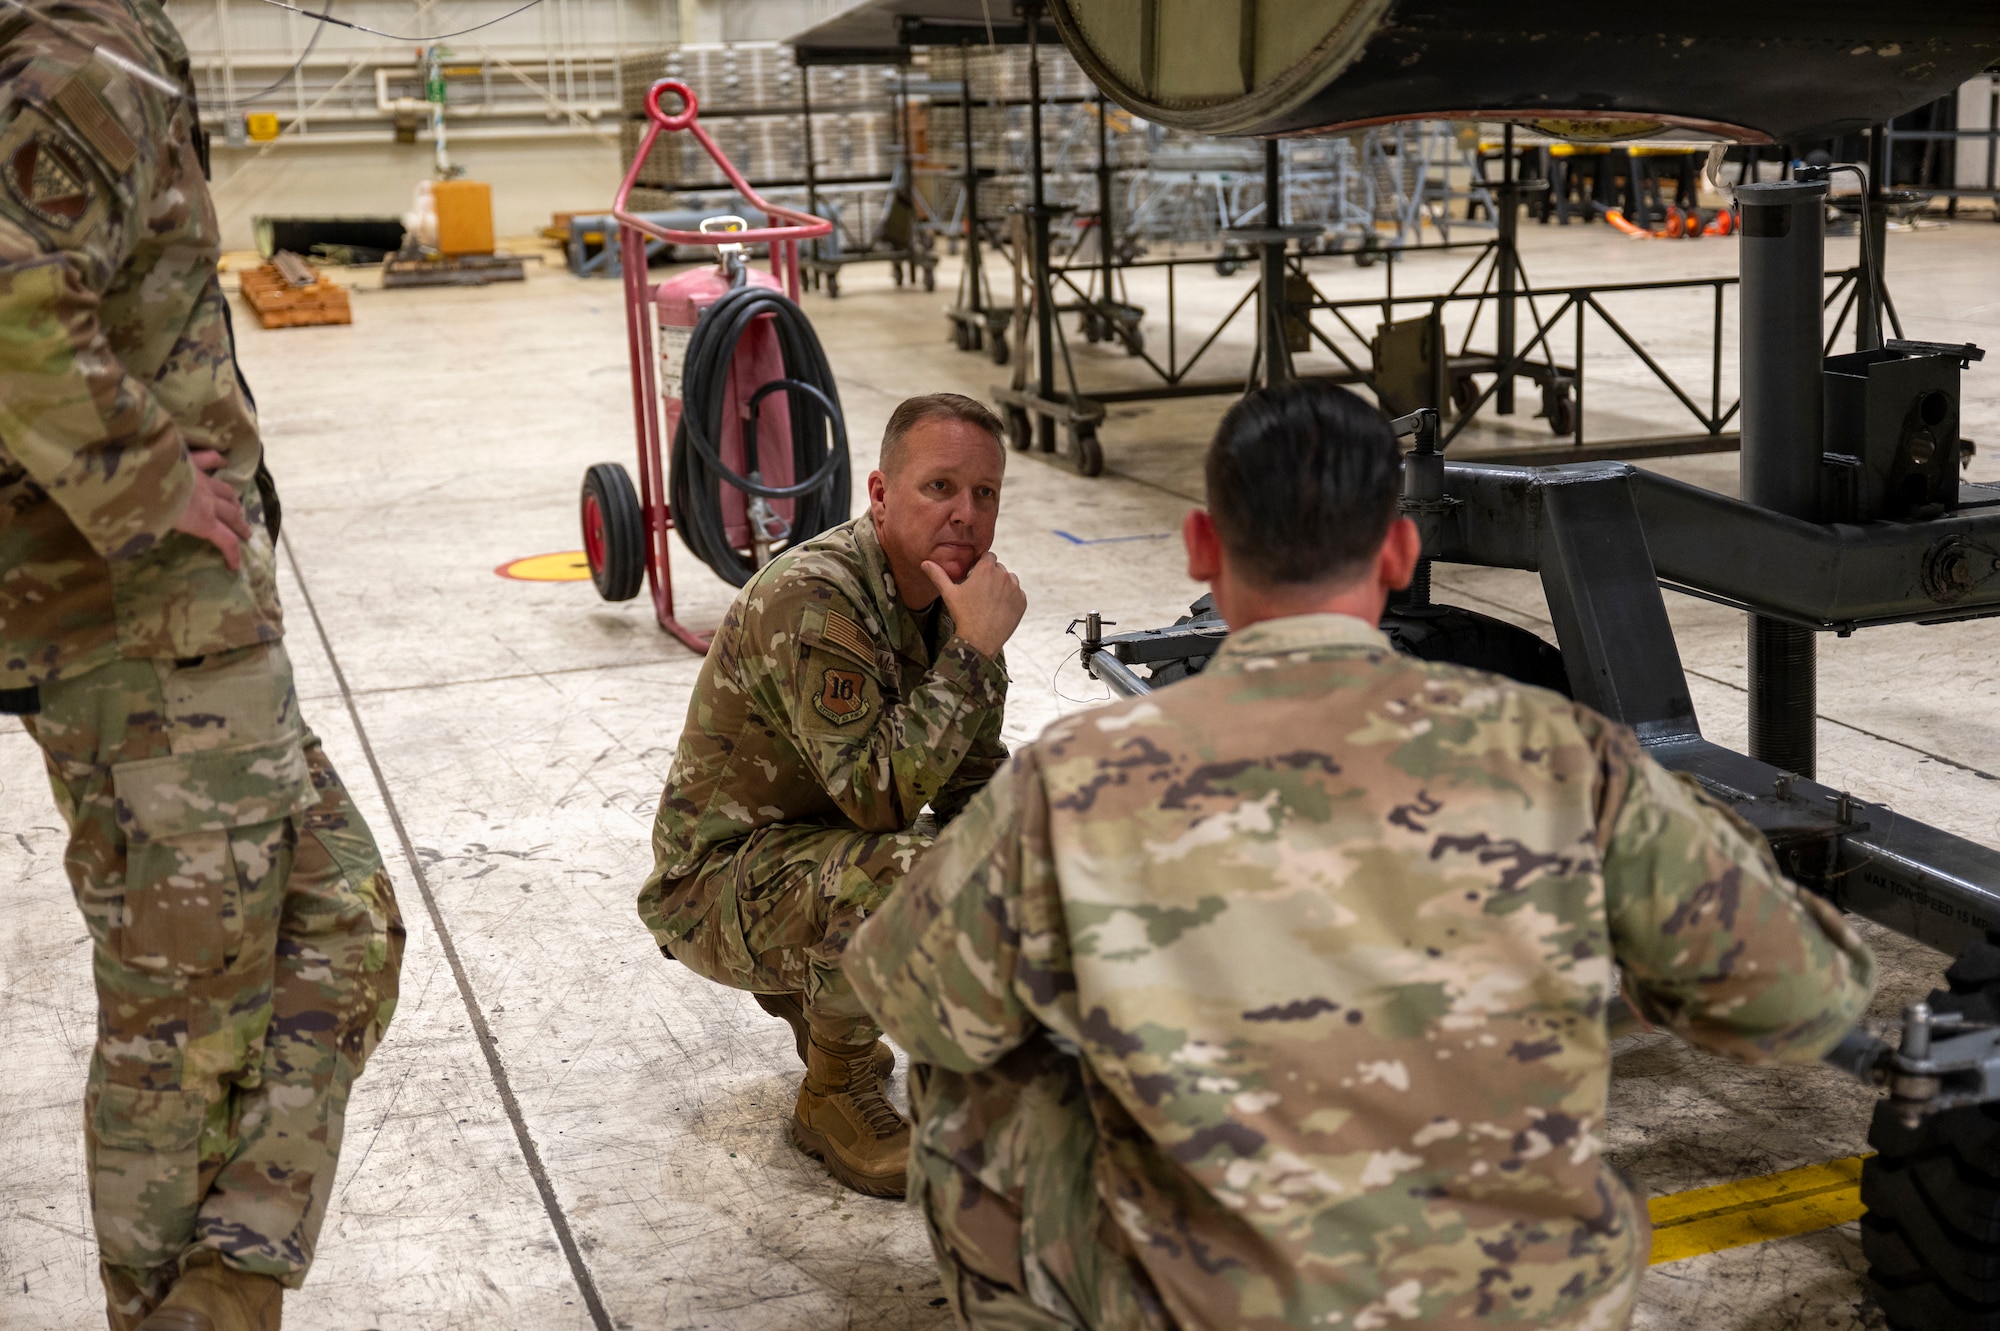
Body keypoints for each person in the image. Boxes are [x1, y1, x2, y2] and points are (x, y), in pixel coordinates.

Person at [844, 380, 1876, 1330]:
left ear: (1201, 546)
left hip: (1206, 1304)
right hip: (1511, 1304)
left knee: (972, 1072)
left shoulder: (1075, 777)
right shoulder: (1559, 754)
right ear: (1395, 554)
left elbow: (906, 994)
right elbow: (1806, 996)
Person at [0, 4, 406, 1329]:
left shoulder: (105, 32)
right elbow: (7, 288)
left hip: (194, 626)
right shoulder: (78, 41)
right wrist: (146, 477)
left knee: (345, 918)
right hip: (136, 634)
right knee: (185, 1027)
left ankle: (225, 1288)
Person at [639, 392, 1026, 1198]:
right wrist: (976, 655)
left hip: (806, 850)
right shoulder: (816, 596)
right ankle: (834, 1094)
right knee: (913, 870)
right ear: (880, 494)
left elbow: (973, 790)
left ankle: (833, 1010)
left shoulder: (953, 603)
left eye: (984, 493)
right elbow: (879, 800)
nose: (965, 513)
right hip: (712, 885)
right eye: (939, 487)